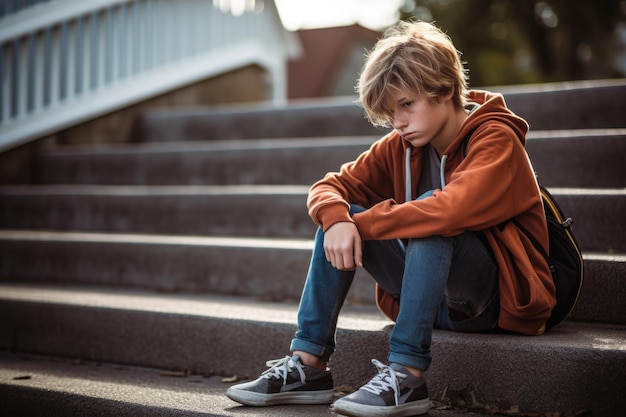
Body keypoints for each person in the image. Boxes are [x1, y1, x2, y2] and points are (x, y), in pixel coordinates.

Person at [226, 20, 556, 417]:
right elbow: (329, 186)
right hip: (434, 300)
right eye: (390, 110)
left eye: (406, 104)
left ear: (446, 89)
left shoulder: (496, 139)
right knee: (341, 214)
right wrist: (338, 219)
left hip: (497, 301)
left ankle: (407, 375)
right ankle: (308, 365)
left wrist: (357, 225)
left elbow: (451, 210)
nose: (398, 121)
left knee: (430, 216)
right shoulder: (400, 145)